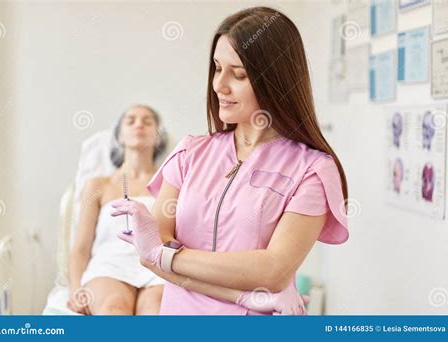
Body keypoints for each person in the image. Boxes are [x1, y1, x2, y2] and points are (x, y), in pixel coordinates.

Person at [112, 6, 349, 315]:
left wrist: (164, 253)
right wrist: (247, 297)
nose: (219, 85)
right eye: (216, 68)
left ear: (275, 79)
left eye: (238, 74)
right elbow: (149, 256)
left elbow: (271, 271)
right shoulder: (189, 154)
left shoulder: (312, 171)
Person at [67, 104, 167, 315]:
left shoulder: (170, 183)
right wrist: (75, 288)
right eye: (130, 120)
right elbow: (81, 247)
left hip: (156, 266)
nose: (139, 124)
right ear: (119, 136)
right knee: (113, 308)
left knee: (155, 310)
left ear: (158, 137)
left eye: (147, 121)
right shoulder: (99, 185)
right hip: (109, 266)